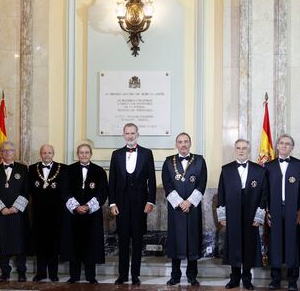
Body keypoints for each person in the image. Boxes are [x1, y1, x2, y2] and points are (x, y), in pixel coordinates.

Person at [109, 123, 156, 285]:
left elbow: (152, 179)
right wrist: (112, 203)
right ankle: (122, 275)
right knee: (122, 241)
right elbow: (112, 181)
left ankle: (135, 275)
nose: (130, 136)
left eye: (132, 133)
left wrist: (150, 200)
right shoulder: (116, 154)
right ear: (124, 135)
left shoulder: (147, 153)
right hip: (121, 203)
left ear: (138, 134)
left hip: (140, 203)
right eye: (127, 133)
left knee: (137, 241)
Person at [217, 139, 267, 290]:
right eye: (238, 148)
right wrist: (222, 215)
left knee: (249, 245)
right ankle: (234, 278)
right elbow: (222, 194)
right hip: (232, 212)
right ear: (235, 149)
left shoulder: (259, 170)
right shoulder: (226, 169)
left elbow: (264, 195)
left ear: (249, 150)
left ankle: (247, 278)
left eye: (244, 148)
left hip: (251, 212)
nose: (241, 151)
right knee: (234, 245)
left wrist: (259, 215)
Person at [162, 132, 207, 286]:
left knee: (192, 239)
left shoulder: (200, 160)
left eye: (186, 141)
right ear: (176, 144)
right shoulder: (168, 162)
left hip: (193, 208)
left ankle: (192, 275)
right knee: (176, 240)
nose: (183, 144)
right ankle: (175, 275)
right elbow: (167, 184)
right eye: (180, 142)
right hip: (176, 209)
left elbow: (202, 183)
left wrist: (190, 202)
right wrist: (180, 202)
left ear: (190, 143)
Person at [265, 134, 300, 291]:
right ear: (277, 146)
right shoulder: (268, 167)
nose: (284, 146)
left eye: (287, 144)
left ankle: (292, 280)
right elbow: (265, 192)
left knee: (293, 244)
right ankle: (275, 279)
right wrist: (266, 211)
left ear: (292, 147)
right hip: (274, 210)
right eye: (281, 143)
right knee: (275, 243)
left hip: (293, 211)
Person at [61, 142, 107, 284]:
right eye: (81, 152)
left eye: (87, 152)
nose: (84, 155)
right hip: (73, 214)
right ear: (77, 154)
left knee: (91, 244)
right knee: (73, 244)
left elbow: (103, 192)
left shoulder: (99, 171)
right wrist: (76, 206)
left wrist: (87, 206)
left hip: (91, 215)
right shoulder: (68, 170)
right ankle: (74, 276)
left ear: (91, 154)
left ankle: (90, 276)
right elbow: (64, 190)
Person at [29, 144, 67, 282]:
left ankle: (53, 273)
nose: (46, 155)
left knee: (54, 242)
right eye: (44, 152)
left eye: (49, 152)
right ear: (40, 154)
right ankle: (40, 273)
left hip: (56, 213)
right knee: (40, 243)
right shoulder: (32, 169)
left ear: (53, 153)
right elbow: (30, 190)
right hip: (38, 212)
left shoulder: (62, 168)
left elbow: (64, 190)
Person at [0, 141, 29, 282]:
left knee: (19, 242)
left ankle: (22, 272)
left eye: (10, 150)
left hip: (18, 213)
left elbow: (26, 191)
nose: (7, 153)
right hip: (1, 213)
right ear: (1, 153)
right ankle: (5, 272)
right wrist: (1, 208)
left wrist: (16, 207)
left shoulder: (23, 169)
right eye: (4, 150)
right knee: (2, 242)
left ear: (14, 152)